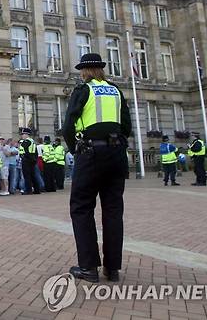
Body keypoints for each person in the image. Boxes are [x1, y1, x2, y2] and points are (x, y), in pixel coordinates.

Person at [63, 52, 131, 284]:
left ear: (84, 71)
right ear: (101, 70)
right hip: (116, 153)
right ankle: (112, 269)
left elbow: (67, 125)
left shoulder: (83, 90)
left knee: (81, 208)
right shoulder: (116, 91)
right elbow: (127, 126)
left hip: (90, 153)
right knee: (113, 210)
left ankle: (88, 266)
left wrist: (75, 149)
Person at [19, 129, 41, 195]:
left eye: (23, 134)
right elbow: (35, 152)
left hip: (26, 160)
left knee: (27, 176)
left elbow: (26, 151)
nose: (22, 136)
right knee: (33, 175)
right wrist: (34, 159)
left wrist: (24, 156)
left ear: (26, 134)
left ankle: (28, 190)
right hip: (32, 160)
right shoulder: (32, 141)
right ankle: (37, 190)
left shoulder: (26, 142)